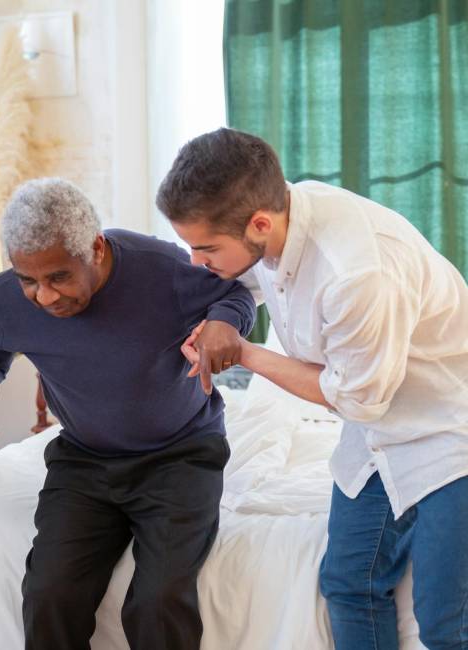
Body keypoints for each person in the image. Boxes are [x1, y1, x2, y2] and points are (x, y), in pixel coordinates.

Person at [157, 127, 468, 650]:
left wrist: (245, 351)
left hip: (449, 434)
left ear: (259, 223)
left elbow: (355, 398)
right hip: (376, 435)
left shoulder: (356, 274)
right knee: (347, 586)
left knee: (443, 621)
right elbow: (244, 283)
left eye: (205, 247)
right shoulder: (280, 223)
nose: (196, 260)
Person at [0, 177, 255, 650]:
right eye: (29, 279)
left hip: (179, 456)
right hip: (85, 461)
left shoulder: (160, 268)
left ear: (95, 248)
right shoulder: (9, 297)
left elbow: (234, 294)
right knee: (49, 593)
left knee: (158, 600)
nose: (44, 297)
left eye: (58, 278)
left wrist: (222, 323)